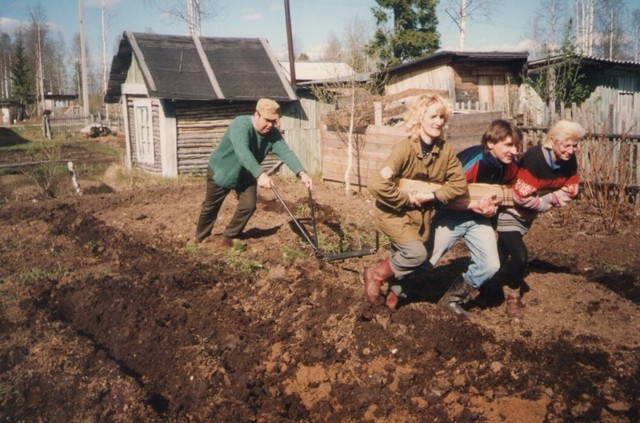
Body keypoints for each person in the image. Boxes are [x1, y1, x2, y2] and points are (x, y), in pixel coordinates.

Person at [362, 93, 468, 309]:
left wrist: (432, 196)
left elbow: (459, 185)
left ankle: (391, 302)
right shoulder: (405, 148)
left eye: (442, 117)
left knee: (408, 259)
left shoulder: (445, 151)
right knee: (416, 254)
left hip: (421, 218)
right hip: (393, 213)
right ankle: (375, 274)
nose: (439, 122)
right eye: (433, 117)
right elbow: (376, 184)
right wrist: (405, 199)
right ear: (420, 118)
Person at [426, 119, 522, 316]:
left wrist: (492, 208)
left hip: (479, 219)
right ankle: (390, 284)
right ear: (490, 143)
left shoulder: (511, 166)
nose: (514, 151)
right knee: (424, 260)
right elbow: (441, 196)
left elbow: (508, 193)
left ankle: (451, 299)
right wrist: (474, 205)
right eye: (508, 145)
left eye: (516, 146)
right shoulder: (472, 161)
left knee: (490, 264)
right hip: (451, 214)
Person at [496, 119, 585, 319]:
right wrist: (545, 204)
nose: (571, 150)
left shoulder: (569, 160)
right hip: (509, 211)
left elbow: (571, 190)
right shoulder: (535, 159)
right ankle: (513, 295)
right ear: (553, 141)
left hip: (527, 215)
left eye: (575, 145)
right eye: (566, 145)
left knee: (499, 256)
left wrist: (547, 198)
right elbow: (520, 196)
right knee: (520, 256)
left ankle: (481, 284)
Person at [195, 98, 313, 245]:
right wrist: (260, 174)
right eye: (267, 120)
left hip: (247, 173)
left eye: (274, 121)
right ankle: (200, 238)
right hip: (222, 170)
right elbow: (242, 151)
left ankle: (230, 235)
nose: (270, 125)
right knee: (211, 207)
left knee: (249, 205)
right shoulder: (241, 125)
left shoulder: (272, 134)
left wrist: (302, 173)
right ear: (256, 114)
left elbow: (286, 152)